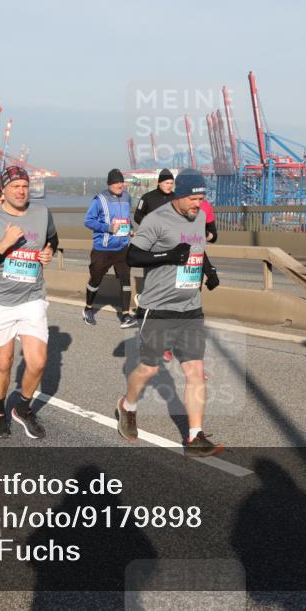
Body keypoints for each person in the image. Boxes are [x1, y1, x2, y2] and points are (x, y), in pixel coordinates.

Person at [116, 169, 222, 457]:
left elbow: (196, 247)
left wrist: (209, 270)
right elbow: (132, 256)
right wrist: (169, 255)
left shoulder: (199, 216)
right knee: (149, 368)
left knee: (195, 370)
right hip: (158, 308)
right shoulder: (156, 220)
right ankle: (127, 405)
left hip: (190, 307)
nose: (198, 204)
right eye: (193, 199)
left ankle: (195, 436)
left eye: (201, 198)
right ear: (179, 195)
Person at [0, 165, 58, 440]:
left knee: (38, 362)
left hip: (32, 298)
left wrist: (48, 251)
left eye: (25, 186)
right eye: (15, 186)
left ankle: (22, 408)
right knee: (4, 361)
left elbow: (52, 238)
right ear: (4, 190)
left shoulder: (41, 213)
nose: (21, 191)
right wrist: (5, 243)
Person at [83, 169, 137, 328]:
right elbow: (88, 221)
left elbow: (127, 219)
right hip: (103, 248)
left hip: (122, 247)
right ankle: (88, 308)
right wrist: (108, 228)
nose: (120, 185)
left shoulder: (127, 197)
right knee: (95, 279)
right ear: (109, 184)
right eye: (116, 182)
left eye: (121, 182)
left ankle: (125, 315)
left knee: (125, 279)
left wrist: (130, 229)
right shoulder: (99, 199)